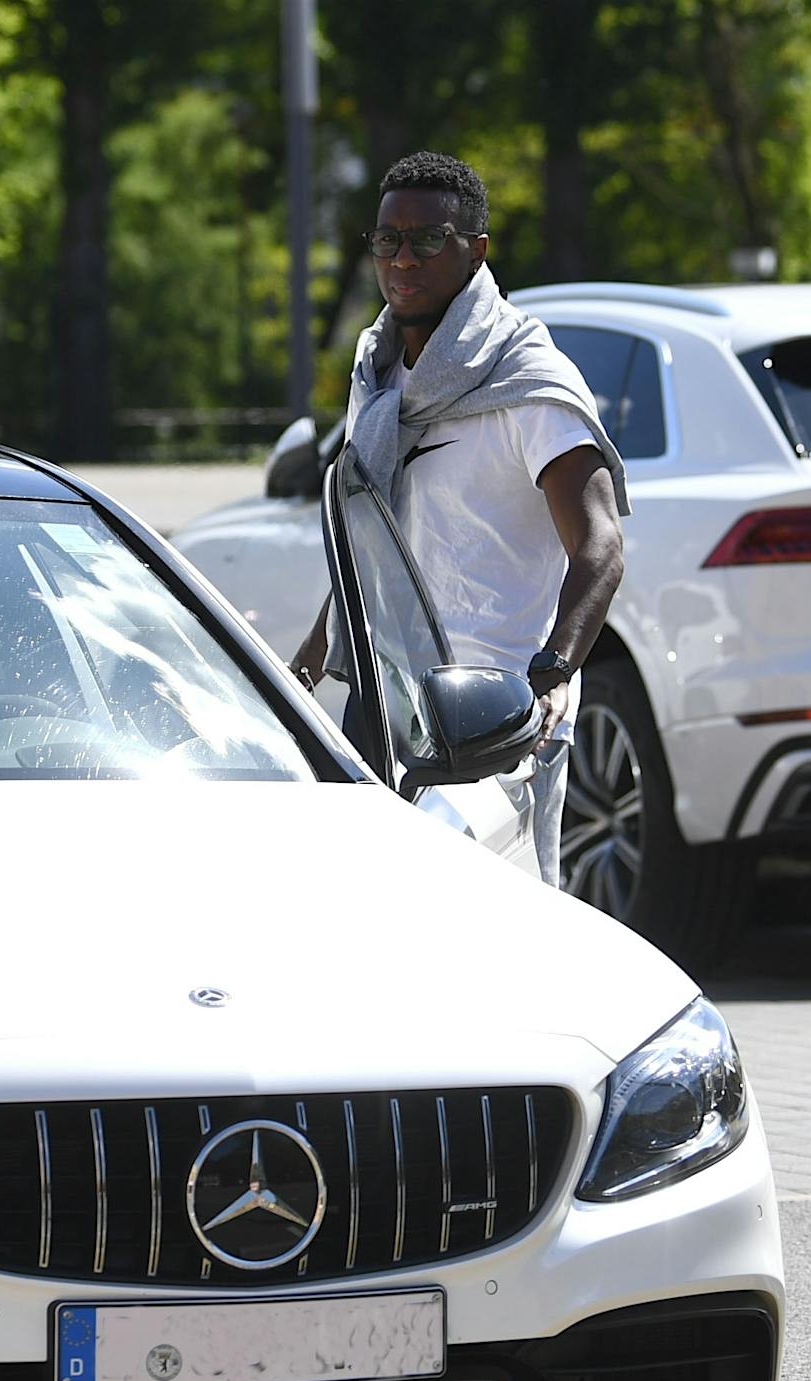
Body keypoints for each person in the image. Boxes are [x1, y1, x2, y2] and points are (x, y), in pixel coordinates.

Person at [291, 150, 626, 888]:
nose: (402, 259)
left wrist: (549, 678)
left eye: (427, 240)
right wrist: (304, 672)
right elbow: (371, 546)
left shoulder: (527, 379)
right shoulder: (378, 374)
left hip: (492, 721)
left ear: (476, 250)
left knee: (482, 937)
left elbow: (600, 546)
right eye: (387, 240)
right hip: (386, 706)